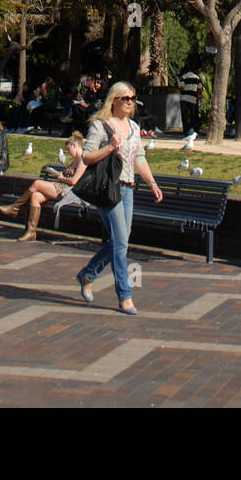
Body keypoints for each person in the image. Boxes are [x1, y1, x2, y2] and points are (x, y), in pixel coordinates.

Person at [75, 81, 162, 315]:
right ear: (114, 100)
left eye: (132, 98)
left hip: (128, 189)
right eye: (125, 98)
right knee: (121, 243)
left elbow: (139, 158)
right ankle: (125, 296)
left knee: (118, 242)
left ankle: (87, 274)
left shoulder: (134, 127)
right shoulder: (101, 126)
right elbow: (87, 157)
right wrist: (109, 148)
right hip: (108, 190)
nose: (130, 103)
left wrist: (152, 183)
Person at [0, 132, 87, 240]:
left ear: (74, 145)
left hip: (69, 191)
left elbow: (74, 181)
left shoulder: (83, 160)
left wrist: (61, 178)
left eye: (68, 149)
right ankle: (31, 231)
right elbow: (65, 176)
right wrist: (60, 175)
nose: (68, 153)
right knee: (35, 196)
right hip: (60, 187)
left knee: (37, 183)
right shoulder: (74, 161)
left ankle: (15, 207)